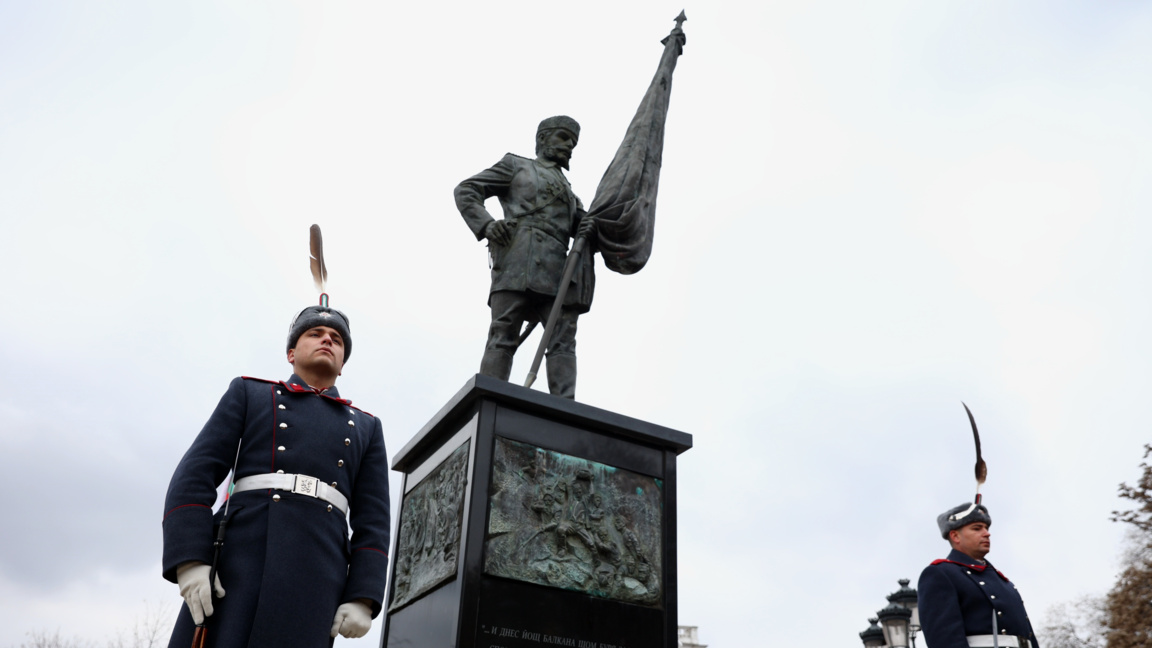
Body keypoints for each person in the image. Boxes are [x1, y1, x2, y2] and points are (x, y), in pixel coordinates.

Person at [162, 304, 391, 647]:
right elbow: (194, 476)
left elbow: (374, 522)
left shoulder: (366, 427)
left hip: (318, 575)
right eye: (315, 334)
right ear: (291, 352)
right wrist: (190, 560)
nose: (327, 340)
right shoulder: (250, 394)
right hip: (239, 564)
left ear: (343, 365)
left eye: (337, 339)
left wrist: (363, 596)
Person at [454, 115, 597, 399]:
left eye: (573, 143)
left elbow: (582, 226)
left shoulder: (569, 193)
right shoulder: (516, 166)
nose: (569, 146)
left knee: (563, 340)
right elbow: (467, 190)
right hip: (516, 259)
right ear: (542, 139)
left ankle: (566, 407)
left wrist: (589, 224)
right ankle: (490, 402)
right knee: (503, 333)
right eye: (563, 138)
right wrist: (488, 225)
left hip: (558, 271)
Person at [918, 503, 1039, 648]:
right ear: (955, 536)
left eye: (986, 528)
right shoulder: (941, 574)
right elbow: (945, 641)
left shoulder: (1002, 581)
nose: (987, 533)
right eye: (977, 528)